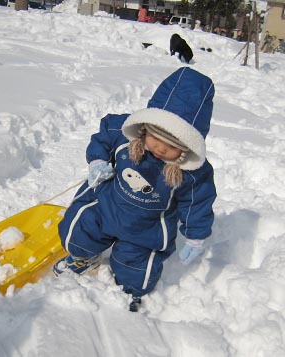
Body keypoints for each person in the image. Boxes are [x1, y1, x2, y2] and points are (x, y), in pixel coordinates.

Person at [53, 67, 217, 312]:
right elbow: (103, 134)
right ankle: (83, 258)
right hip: (108, 206)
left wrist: (195, 234)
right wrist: (98, 160)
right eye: (156, 138)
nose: (160, 149)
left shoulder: (190, 172)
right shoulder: (125, 135)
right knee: (77, 232)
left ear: (186, 148)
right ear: (146, 126)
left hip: (147, 228)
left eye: (171, 146)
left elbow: (198, 202)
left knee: (137, 273)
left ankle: (129, 291)